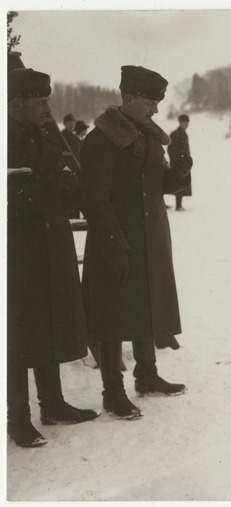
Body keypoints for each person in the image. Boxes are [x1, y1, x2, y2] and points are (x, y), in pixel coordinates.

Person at [79, 65, 193, 420]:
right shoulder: (101, 140)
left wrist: (180, 173)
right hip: (120, 241)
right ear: (128, 98)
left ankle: (147, 375)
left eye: (158, 102)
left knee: (147, 304)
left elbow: (159, 184)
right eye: (150, 102)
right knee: (113, 314)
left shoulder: (147, 136)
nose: (156, 109)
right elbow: (96, 200)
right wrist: (116, 245)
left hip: (151, 239)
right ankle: (113, 393)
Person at [7, 68, 99, 447]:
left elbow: (71, 180)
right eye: (40, 101)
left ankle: (53, 404)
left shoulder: (46, 133)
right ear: (15, 103)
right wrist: (49, 189)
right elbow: (13, 197)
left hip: (52, 243)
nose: (48, 107)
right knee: (17, 332)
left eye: (47, 100)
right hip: (17, 250)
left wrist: (45, 187)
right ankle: (18, 418)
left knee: (48, 321)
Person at [168, 113, 191, 211]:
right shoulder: (175, 134)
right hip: (178, 164)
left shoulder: (184, 133)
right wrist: (176, 162)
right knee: (178, 183)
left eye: (187, 123)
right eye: (184, 122)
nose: (186, 125)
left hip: (183, 163)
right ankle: (178, 206)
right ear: (180, 123)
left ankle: (179, 205)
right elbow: (171, 149)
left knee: (181, 183)